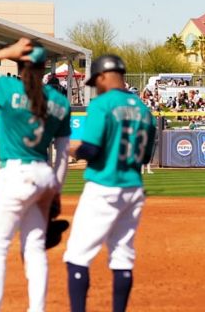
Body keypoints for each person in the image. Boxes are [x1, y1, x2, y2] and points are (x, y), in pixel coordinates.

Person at [0, 38, 71, 312]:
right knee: (34, 247)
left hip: (16, 174)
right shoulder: (59, 101)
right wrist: (56, 189)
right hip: (44, 176)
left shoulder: (8, 87)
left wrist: (7, 52)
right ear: (45, 65)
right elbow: (63, 152)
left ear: (19, 63)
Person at [64, 54, 156, 312]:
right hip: (133, 188)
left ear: (105, 76)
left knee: (77, 256)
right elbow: (146, 156)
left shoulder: (102, 104)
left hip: (104, 186)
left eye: (97, 80)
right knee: (123, 257)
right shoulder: (143, 109)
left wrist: (71, 149)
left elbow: (91, 151)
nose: (97, 85)